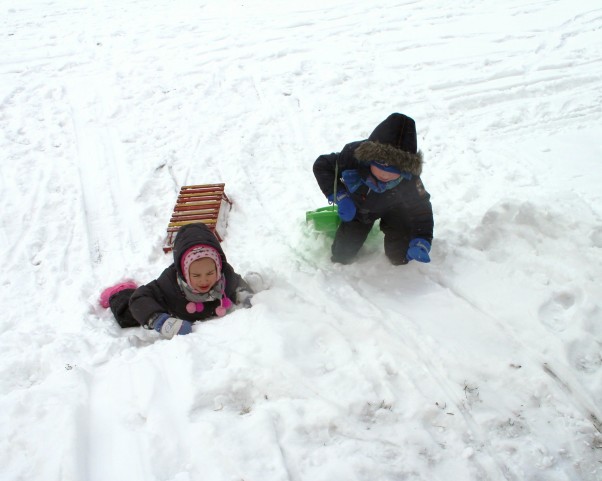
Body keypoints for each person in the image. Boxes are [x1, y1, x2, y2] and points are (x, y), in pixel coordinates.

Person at [313, 113, 434, 265]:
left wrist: (422, 239)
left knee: (400, 257)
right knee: (342, 256)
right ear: (369, 158)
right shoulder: (352, 158)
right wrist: (340, 196)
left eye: (394, 169)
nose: (385, 173)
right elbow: (322, 165)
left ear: (405, 169)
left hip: (395, 211)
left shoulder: (410, 180)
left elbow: (421, 208)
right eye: (380, 164)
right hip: (359, 210)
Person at [99, 223, 254, 338]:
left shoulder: (224, 275)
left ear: (218, 267)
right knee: (130, 314)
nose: (204, 280)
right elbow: (140, 298)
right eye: (196, 276)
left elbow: (236, 283)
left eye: (210, 273)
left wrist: (245, 294)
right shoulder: (168, 284)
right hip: (172, 305)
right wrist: (160, 321)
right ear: (185, 273)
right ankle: (119, 292)